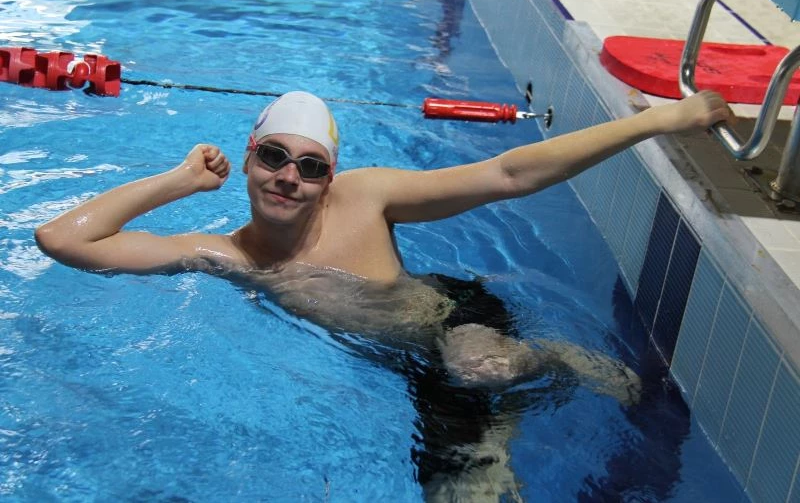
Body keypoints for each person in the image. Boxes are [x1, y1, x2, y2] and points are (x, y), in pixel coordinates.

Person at [35, 89, 732, 500]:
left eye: (311, 167)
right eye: (273, 156)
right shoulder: (226, 257)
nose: (289, 177)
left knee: (478, 365)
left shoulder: (366, 197)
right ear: (248, 158)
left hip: (458, 319)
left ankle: (554, 357)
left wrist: (660, 121)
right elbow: (62, 239)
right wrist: (179, 180)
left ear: (329, 178)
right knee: (456, 494)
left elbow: (509, 175)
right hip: (411, 363)